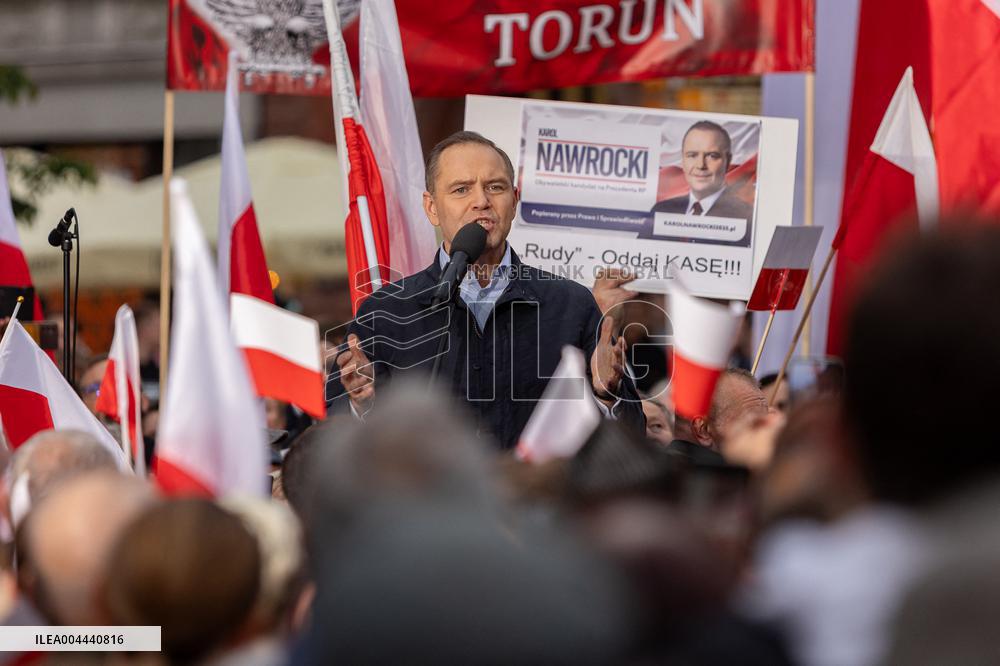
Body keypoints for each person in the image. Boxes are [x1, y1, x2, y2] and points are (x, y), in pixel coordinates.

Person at [332, 131, 644, 449]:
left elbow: (634, 438)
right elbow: (334, 437)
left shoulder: (571, 305)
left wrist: (607, 395)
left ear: (514, 201)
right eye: (461, 189)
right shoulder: (385, 311)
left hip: (537, 496)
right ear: (432, 207)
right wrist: (361, 404)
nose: (481, 201)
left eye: (495, 187)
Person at [640, 120, 753, 246]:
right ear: (683, 161)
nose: (700, 165)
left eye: (712, 156)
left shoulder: (747, 217)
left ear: (728, 160)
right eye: (692, 155)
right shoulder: (661, 210)